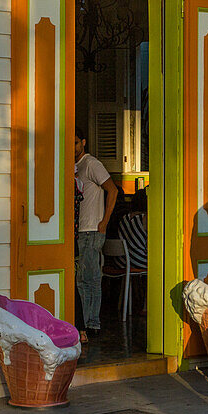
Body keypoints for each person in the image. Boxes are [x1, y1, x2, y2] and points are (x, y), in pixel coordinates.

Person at [74, 126, 118, 342]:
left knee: (90, 278)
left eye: (75, 143)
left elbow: (113, 189)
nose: (73, 148)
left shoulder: (91, 164)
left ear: (83, 142)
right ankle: (85, 322)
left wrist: (104, 221)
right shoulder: (75, 167)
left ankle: (92, 323)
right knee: (82, 278)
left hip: (92, 229)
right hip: (81, 230)